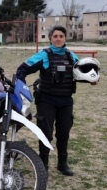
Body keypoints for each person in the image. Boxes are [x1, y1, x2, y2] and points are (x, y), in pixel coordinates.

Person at [16, 25, 97, 176]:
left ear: (65, 38)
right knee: (45, 133)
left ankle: (62, 164)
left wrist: (91, 80)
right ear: (51, 39)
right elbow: (22, 69)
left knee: (63, 133)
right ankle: (43, 164)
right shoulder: (43, 55)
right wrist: (20, 88)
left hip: (66, 101)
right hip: (47, 100)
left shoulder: (72, 57)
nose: (58, 39)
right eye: (55, 36)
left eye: (61, 36)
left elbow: (81, 74)